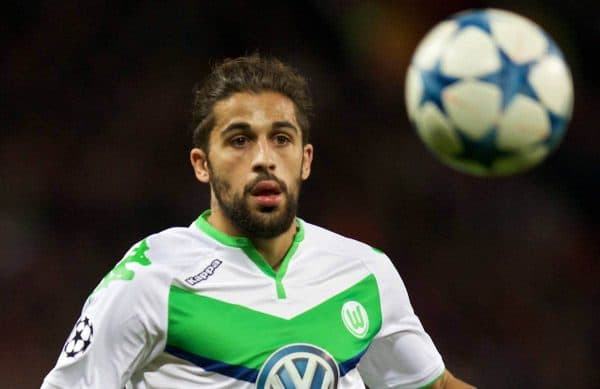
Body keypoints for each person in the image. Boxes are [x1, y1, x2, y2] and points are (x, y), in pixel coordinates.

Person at [41, 55, 476, 389]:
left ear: (305, 160)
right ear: (202, 164)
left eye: (281, 139)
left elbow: (431, 384)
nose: (264, 159)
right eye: (240, 140)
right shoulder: (152, 279)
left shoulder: (364, 273)